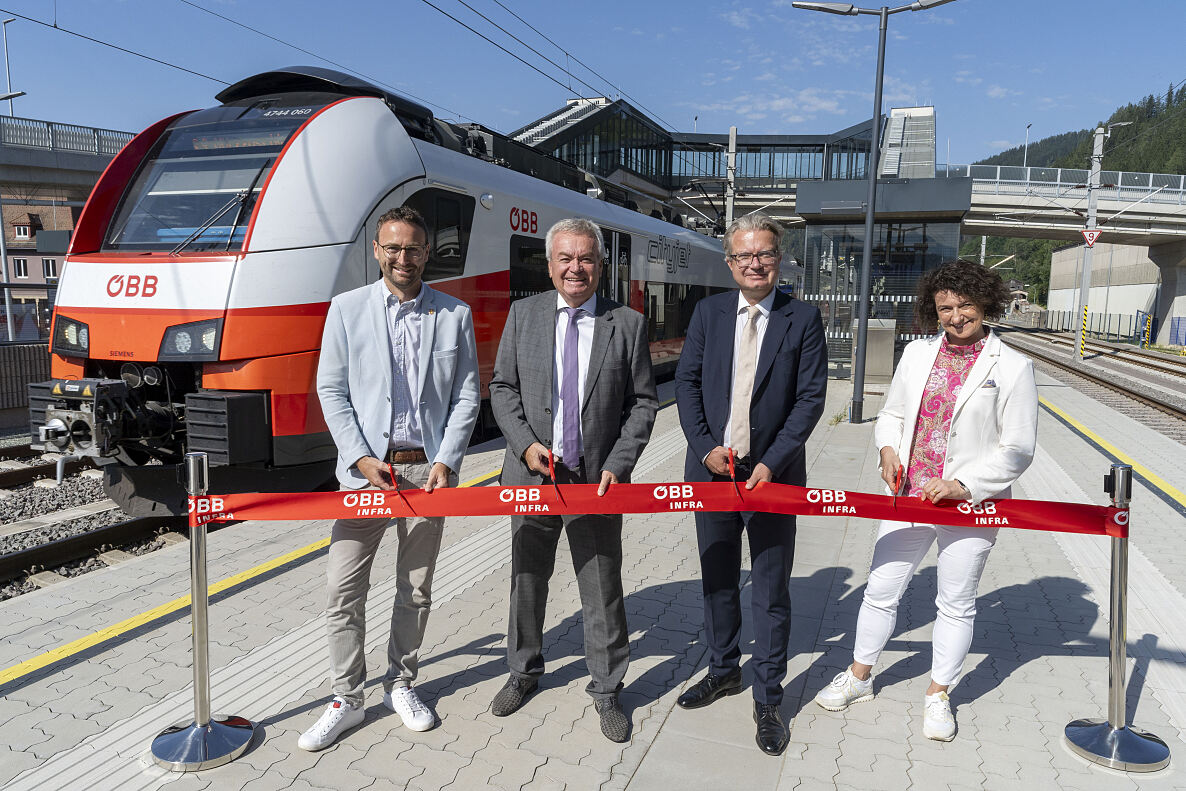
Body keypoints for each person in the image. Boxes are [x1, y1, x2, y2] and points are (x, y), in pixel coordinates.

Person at [813, 259, 1037, 742]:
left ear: (985, 304)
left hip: (969, 506)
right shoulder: (916, 354)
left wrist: (964, 486)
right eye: (945, 308)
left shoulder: (1014, 367)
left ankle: (939, 694)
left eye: (964, 305)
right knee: (880, 589)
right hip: (909, 496)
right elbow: (892, 413)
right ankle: (859, 676)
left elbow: (1018, 449)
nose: (955, 316)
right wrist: (888, 449)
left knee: (955, 603)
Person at [299, 206, 480, 751]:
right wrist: (358, 458)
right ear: (377, 252)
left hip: (427, 473)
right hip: (365, 474)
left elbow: (467, 394)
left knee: (417, 587)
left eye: (414, 249)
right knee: (343, 588)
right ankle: (346, 699)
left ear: (428, 253)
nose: (404, 258)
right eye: (393, 248)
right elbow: (331, 390)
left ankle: (400, 683)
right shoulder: (346, 310)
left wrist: (447, 459)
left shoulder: (454, 315)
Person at [488, 217, 657, 743]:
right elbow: (502, 388)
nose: (575, 268)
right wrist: (525, 445)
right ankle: (523, 672)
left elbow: (643, 403)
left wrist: (619, 462)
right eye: (565, 258)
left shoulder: (626, 323)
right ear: (550, 263)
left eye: (585, 258)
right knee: (526, 581)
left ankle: (607, 691)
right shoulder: (524, 314)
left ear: (600, 265)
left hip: (596, 482)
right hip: (531, 476)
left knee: (602, 587)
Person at [674, 212, 828, 756]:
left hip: (772, 478)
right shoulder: (709, 313)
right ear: (730, 262)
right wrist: (703, 447)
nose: (754, 264)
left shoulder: (802, 318)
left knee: (770, 590)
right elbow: (687, 383)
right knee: (717, 578)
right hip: (712, 472)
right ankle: (723, 670)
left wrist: (773, 461)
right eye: (743, 256)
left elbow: (810, 399)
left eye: (764, 253)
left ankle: (768, 696)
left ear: (778, 258)